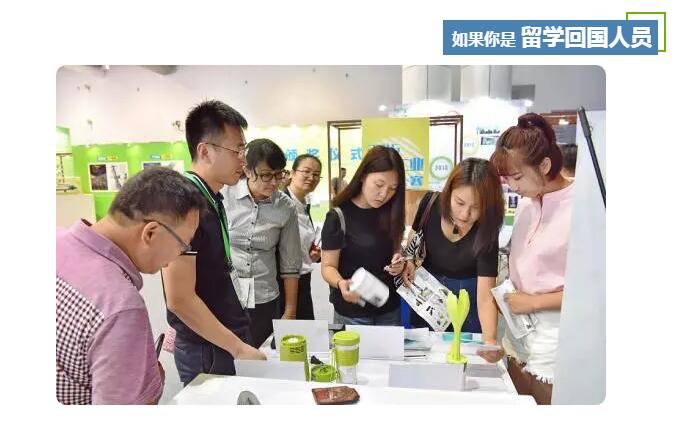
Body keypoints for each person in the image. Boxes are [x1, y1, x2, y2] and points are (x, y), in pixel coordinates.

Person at [56, 167, 204, 404]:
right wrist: (146, 390)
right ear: (151, 233)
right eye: (183, 245)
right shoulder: (121, 308)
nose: (179, 255)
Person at [163, 100, 266, 387]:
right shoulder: (183, 203)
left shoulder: (212, 198)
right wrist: (237, 348)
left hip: (222, 338)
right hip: (207, 348)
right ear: (205, 151)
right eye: (237, 150)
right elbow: (179, 299)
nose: (243, 160)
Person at [483, 112, 575, 405]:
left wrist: (534, 302)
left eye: (517, 177)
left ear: (544, 166)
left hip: (555, 332)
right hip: (517, 327)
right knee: (517, 400)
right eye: (507, 178)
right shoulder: (525, 204)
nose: (513, 186)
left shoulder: (581, 207)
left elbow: (595, 291)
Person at [401, 158, 504, 339]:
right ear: (449, 192)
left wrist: (489, 341)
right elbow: (414, 241)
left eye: (476, 207)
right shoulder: (430, 204)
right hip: (428, 300)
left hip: (467, 306)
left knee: (463, 350)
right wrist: (409, 262)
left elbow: (485, 297)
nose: (465, 214)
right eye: (459, 202)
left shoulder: (487, 228)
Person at [223, 138, 302, 347]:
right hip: (226, 297)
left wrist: (290, 312)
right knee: (229, 356)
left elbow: (290, 264)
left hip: (264, 297)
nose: (274, 182)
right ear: (248, 170)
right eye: (267, 175)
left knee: (261, 355)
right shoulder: (224, 196)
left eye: (279, 174)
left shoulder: (285, 207)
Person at [321, 146, 406, 326]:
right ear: (362, 176)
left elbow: (395, 251)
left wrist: (399, 262)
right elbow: (328, 267)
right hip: (353, 312)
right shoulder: (339, 216)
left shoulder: (392, 213)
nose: (384, 194)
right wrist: (341, 283)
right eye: (379, 185)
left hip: (389, 309)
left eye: (392, 189)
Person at [279, 153, 324, 319]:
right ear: (292, 173)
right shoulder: (280, 204)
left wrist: (313, 255)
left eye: (316, 174)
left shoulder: (304, 205)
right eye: (306, 171)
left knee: (305, 329)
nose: (311, 177)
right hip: (283, 283)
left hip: (303, 278)